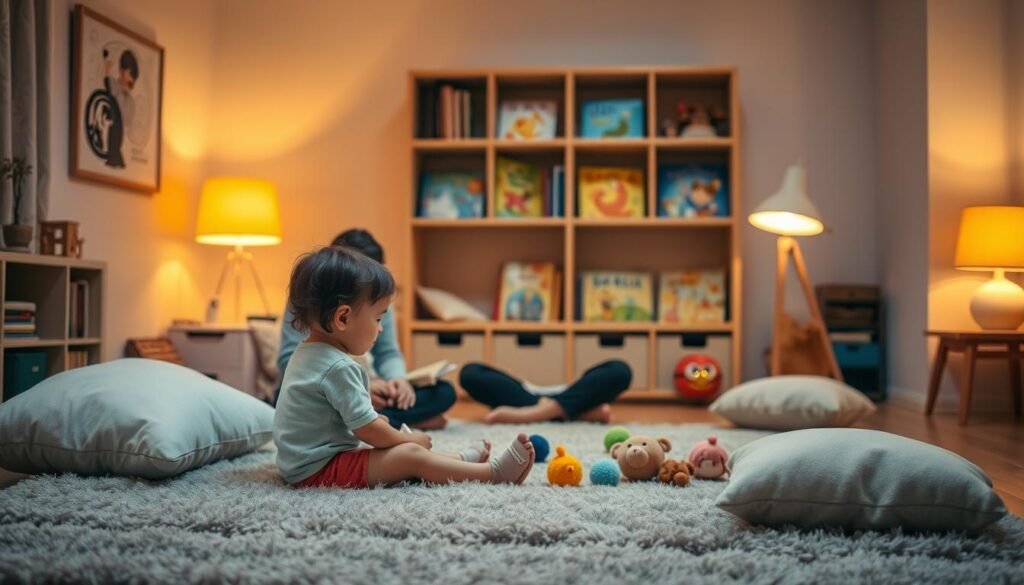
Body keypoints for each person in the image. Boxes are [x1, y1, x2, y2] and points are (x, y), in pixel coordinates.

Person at [273, 246, 535, 489]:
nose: (382, 328)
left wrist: (378, 425)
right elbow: (369, 432)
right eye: (377, 318)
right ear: (342, 318)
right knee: (408, 455)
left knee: (394, 445)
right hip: (319, 470)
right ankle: (494, 474)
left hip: (302, 463)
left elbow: (348, 420)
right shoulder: (339, 366)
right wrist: (408, 439)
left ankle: (459, 459)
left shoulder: (306, 352)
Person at [275, 229, 455, 431]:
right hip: (315, 389)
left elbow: (388, 352)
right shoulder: (308, 302)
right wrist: (363, 386)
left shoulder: (379, 300)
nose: (379, 328)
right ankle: (382, 423)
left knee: (444, 392)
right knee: (301, 402)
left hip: (367, 387)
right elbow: (288, 361)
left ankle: (375, 420)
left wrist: (398, 380)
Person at [459, 360, 632, 424]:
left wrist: (530, 413)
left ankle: (537, 413)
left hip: (575, 391)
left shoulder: (577, 388)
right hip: (528, 393)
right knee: (469, 372)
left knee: (620, 370)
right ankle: (570, 412)